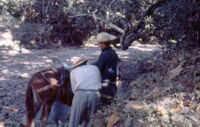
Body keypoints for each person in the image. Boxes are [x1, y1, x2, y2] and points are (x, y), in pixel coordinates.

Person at [69, 57, 102, 127]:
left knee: (75, 119)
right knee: (93, 119)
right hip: (95, 94)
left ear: (76, 66)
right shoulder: (95, 68)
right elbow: (99, 81)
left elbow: (74, 89)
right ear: (86, 62)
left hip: (80, 94)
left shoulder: (73, 72)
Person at [92, 32, 119, 98]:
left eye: (99, 43)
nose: (98, 45)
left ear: (103, 44)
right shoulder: (112, 52)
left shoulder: (105, 54)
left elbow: (99, 67)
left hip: (106, 84)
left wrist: (90, 66)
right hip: (112, 82)